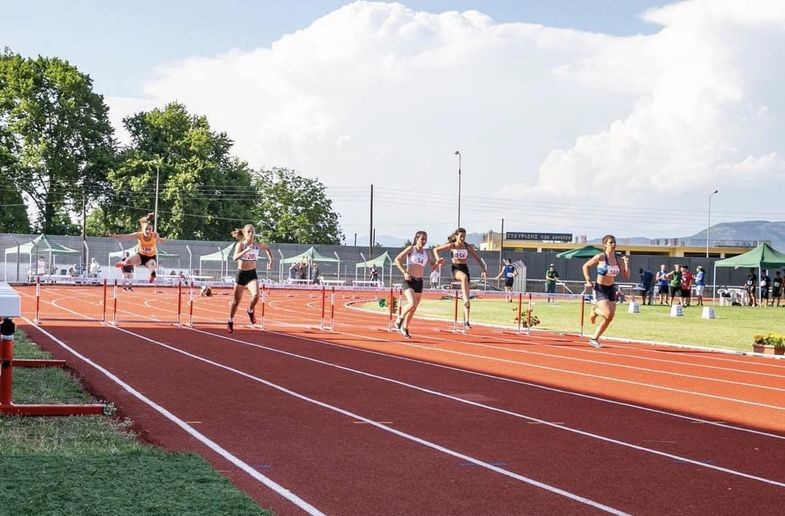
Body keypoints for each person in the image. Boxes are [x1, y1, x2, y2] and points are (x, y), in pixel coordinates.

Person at [432, 227, 487, 329]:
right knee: (464, 278)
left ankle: (466, 321)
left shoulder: (467, 246)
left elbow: (478, 259)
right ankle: (465, 298)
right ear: (456, 236)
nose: (462, 239)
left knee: (467, 292)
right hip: (455, 269)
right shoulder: (452, 245)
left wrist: (483, 270)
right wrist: (437, 259)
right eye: (461, 236)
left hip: (464, 268)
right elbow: (435, 249)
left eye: (464, 237)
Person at [582, 235, 629, 348]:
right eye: (611, 242)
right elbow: (586, 266)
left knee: (610, 317)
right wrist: (588, 280)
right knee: (607, 314)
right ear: (605, 244)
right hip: (600, 288)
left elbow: (626, 276)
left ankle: (594, 338)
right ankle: (595, 311)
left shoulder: (618, 259)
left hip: (611, 288)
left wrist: (626, 264)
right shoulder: (601, 257)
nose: (613, 244)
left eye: (614, 242)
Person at [393, 231, 443, 339]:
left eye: (425, 239)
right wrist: (405, 272)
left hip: (419, 282)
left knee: (414, 307)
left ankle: (405, 328)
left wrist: (438, 263)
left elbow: (433, 266)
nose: (424, 241)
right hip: (409, 280)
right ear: (417, 239)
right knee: (412, 303)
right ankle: (400, 318)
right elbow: (397, 260)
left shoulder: (426, 253)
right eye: (422, 239)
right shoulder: (411, 249)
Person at [226, 224, 273, 333]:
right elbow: (234, 258)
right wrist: (246, 250)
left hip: (252, 273)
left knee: (256, 295)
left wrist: (271, 261)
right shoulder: (240, 245)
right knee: (236, 301)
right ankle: (230, 321)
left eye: (252, 231)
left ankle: (250, 310)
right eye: (249, 232)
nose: (251, 234)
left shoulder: (257, 245)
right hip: (241, 274)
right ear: (244, 234)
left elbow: (268, 249)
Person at [111, 212, 164, 284]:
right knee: (128, 262)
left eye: (149, 229)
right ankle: (123, 263)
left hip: (151, 257)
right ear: (143, 229)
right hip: (140, 256)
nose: (148, 231)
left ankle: (152, 275)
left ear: (152, 230)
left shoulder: (154, 235)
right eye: (146, 229)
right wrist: (115, 236)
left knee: (152, 265)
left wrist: (161, 240)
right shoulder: (139, 235)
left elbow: (159, 239)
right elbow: (126, 236)